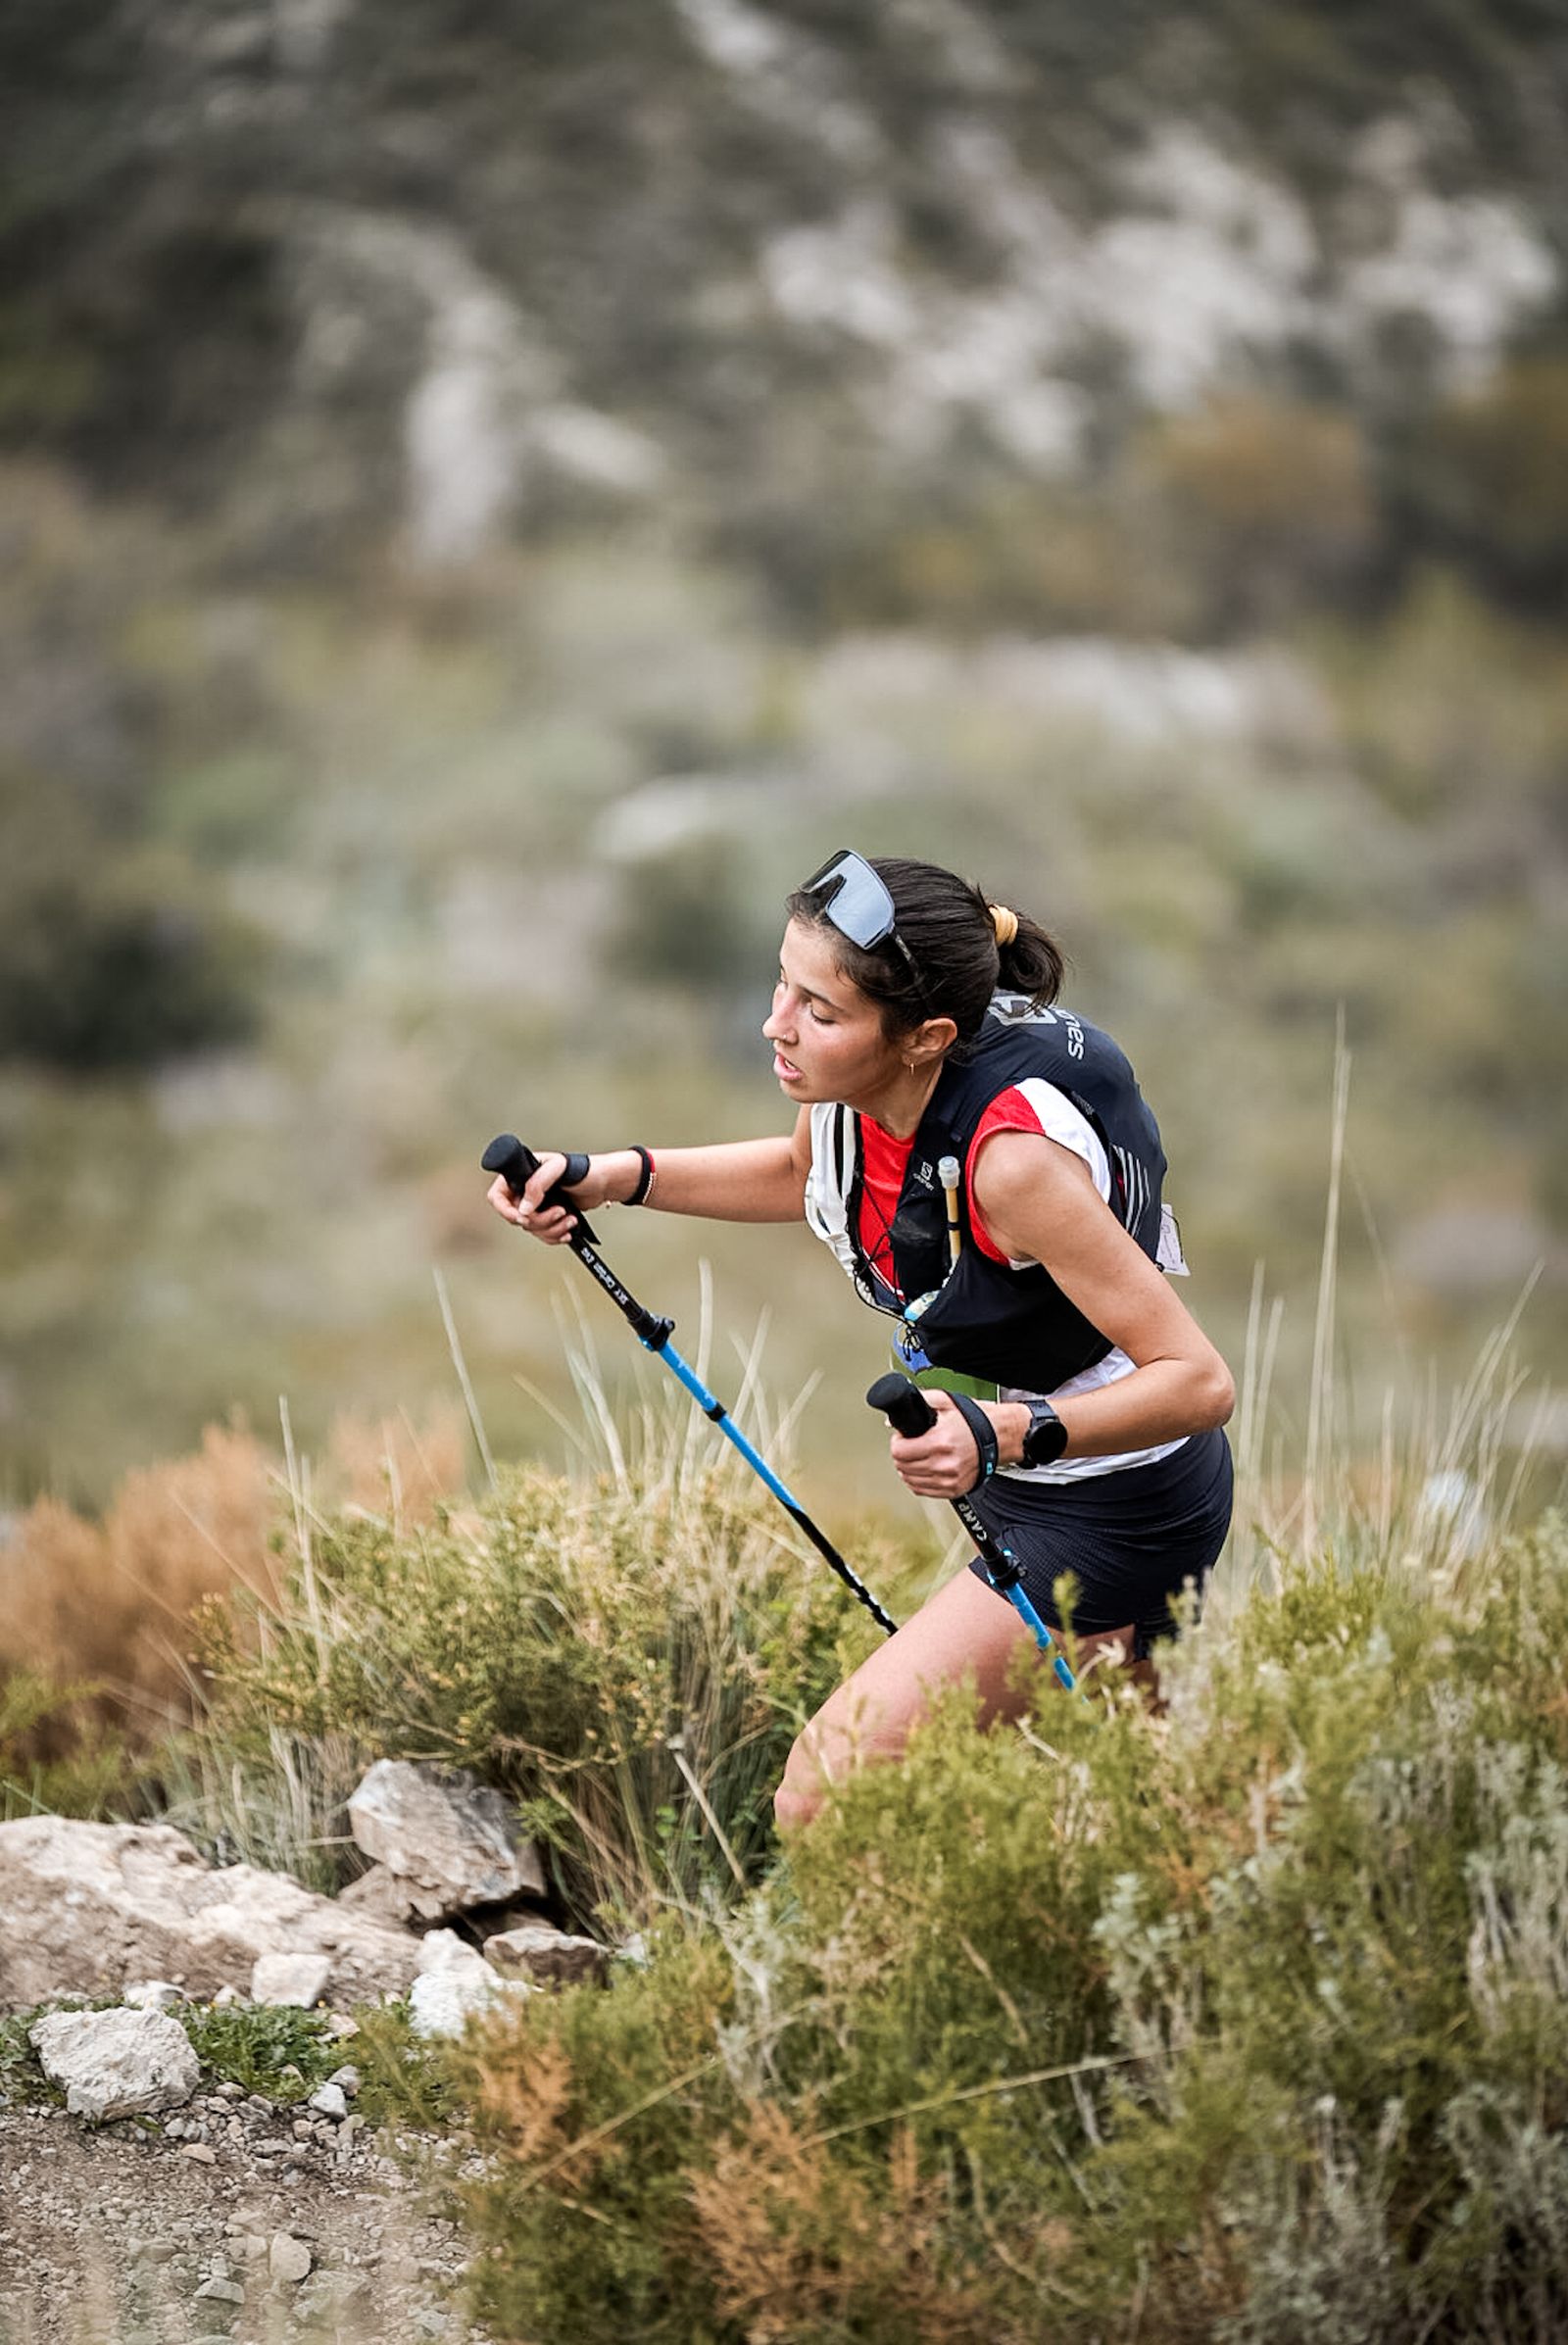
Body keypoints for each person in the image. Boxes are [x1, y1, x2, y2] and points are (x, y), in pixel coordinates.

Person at [487, 851, 1235, 1832]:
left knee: (823, 1791)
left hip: (1114, 1501)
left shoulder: (1012, 1165)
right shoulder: (853, 1094)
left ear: (926, 1037)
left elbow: (1199, 1381)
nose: (777, 1023)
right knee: (1137, 1805)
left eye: (820, 1010)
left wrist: (998, 1435)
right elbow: (802, 1174)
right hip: (1021, 1478)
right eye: (782, 984)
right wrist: (610, 1175)